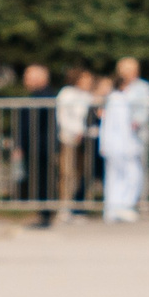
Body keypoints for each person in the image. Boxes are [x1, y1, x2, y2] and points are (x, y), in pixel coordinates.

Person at [100, 57, 149, 222]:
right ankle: (118, 206)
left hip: (128, 140)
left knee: (128, 174)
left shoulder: (139, 89)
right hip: (122, 143)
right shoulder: (117, 97)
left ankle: (121, 206)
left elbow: (143, 113)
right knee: (126, 174)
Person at [17, 63, 58, 226]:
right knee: (39, 181)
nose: (25, 80)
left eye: (29, 76)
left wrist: (22, 143)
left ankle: (45, 215)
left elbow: (31, 125)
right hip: (36, 147)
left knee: (43, 182)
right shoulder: (37, 95)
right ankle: (43, 214)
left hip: (41, 147)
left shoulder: (44, 96)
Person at [56, 67, 97, 220]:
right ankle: (64, 207)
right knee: (67, 173)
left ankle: (78, 208)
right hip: (68, 138)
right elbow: (63, 117)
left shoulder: (87, 96)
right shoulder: (67, 93)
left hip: (84, 139)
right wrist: (76, 131)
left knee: (81, 173)